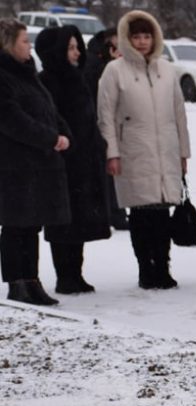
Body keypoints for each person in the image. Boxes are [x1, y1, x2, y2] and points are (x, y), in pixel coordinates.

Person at [97, 10, 190, 290]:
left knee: (162, 214)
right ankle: (145, 268)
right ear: (127, 39)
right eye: (136, 36)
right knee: (141, 214)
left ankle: (163, 266)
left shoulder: (166, 70)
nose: (141, 42)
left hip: (165, 151)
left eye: (146, 36)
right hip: (133, 151)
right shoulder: (114, 71)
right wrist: (111, 152)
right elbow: (106, 115)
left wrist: (183, 152)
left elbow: (179, 113)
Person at [0, 18, 70, 306]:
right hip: (13, 166)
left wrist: (63, 132)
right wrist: (49, 138)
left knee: (31, 225)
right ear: (8, 44)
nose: (30, 46)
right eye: (24, 41)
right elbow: (12, 119)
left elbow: (47, 109)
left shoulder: (28, 74)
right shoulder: (3, 77)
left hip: (38, 165)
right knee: (16, 225)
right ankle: (17, 282)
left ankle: (31, 279)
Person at [36, 26, 110, 294]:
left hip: (84, 159)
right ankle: (64, 275)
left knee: (80, 218)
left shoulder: (77, 78)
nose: (77, 52)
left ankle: (75, 273)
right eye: (70, 47)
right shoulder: (48, 81)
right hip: (63, 160)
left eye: (77, 46)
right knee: (63, 221)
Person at [83, 27, 126, 231]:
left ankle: (115, 210)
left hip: (116, 123)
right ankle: (113, 212)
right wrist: (110, 64)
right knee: (108, 168)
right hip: (98, 122)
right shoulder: (95, 60)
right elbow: (97, 89)